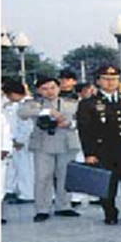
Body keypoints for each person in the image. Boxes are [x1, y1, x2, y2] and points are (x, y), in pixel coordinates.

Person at [75, 65, 121, 225]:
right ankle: (110, 212)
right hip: (103, 150)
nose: (110, 82)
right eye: (106, 79)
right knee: (107, 183)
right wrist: (89, 153)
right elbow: (85, 131)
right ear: (98, 81)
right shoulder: (88, 104)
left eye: (114, 79)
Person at [18, 77, 81, 222]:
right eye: (45, 89)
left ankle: (64, 206)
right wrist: (49, 111)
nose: (50, 92)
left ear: (59, 88)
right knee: (42, 177)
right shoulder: (33, 104)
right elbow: (22, 113)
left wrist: (68, 123)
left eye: (53, 88)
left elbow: (83, 120)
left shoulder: (71, 103)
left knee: (65, 176)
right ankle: (42, 209)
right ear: (39, 90)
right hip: (43, 145)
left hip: (66, 143)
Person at [2, 79, 35, 205]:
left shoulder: (26, 105)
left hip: (24, 141)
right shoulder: (20, 104)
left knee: (26, 169)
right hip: (18, 140)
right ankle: (22, 191)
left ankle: (27, 194)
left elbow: (27, 125)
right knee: (20, 168)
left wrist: (20, 140)